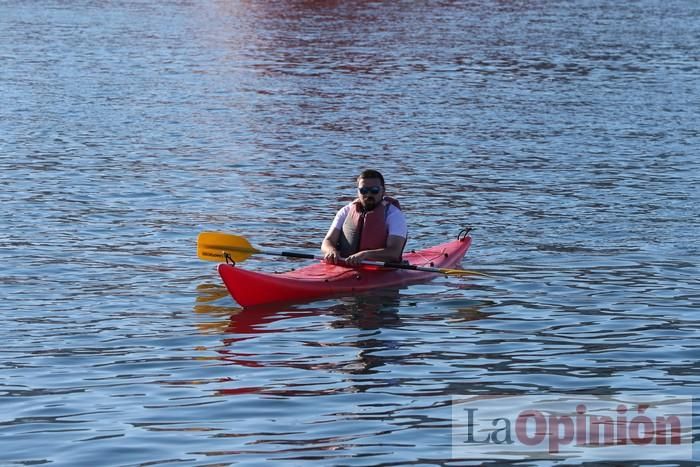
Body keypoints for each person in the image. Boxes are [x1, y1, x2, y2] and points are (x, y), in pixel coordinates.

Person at [322, 169, 407, 266]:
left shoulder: (394, 215)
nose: (368, 194)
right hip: (344, 264)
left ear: (383, 191)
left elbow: (394, 253)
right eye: (364, 190)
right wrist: (330, 250)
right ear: (358, 191)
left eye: (374, 190)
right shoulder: (345, 211)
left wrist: (365, 255)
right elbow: (328, 241)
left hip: (381, 269)